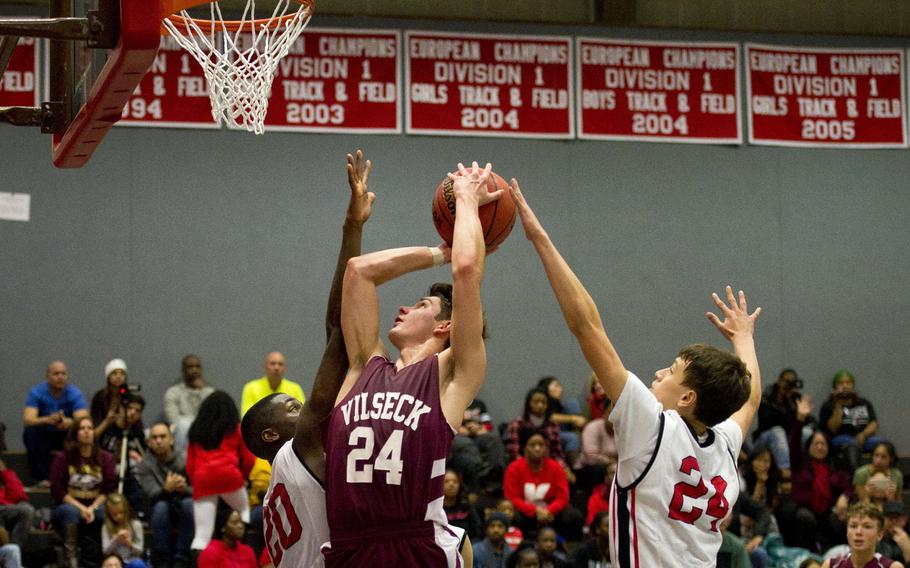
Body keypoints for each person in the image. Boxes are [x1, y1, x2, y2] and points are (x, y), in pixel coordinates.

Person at [509, 180, 762, 567]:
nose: (659, 372)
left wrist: (539, 238)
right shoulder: (725, 445)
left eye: (673, 371)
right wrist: (744, 337)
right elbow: (751, 398)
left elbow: (587, 326)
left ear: (688, 397)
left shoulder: (653, 425)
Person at [321, 161, 500, 567]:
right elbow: (359, 271)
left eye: (421, 305)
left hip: (415, 547)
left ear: (445, 326)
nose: (403, 306)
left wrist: (468, 203)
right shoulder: (364, 365)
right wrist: (440, 253)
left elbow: (468, 271)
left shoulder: (451, 374)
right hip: (349, 547)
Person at [239, 149, 374, 567]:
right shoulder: (295, 451)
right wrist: (352, 227)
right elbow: (338, 329)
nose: (308, 408)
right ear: (269, 435)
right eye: (292, 408)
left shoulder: (276, 492)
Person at [186, 390, 255, 552]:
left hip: (203, 479)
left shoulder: (196, 430)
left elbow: (190, 464)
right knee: (243, 511)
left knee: (202, 534)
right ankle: (241, 552)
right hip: (229, 476)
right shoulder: (235, 428)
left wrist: (195, 482)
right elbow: (250, 459)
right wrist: (242, 478)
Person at [50, 415, 117, 568]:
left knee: (103, 514)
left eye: (90, 428)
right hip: (68, 506)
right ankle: (71, 562)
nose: (87, 432)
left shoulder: (105, 458)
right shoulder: (63, 458)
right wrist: (82, 508)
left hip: (96, 505)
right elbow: (58, 490)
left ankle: (99, 561)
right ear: (75, 434)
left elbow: (108, 489)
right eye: (82, 428)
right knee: (70, 512)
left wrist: (92, 508)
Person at [778, 429, 851, 552]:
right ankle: (806, 556)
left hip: (827, 512)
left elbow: (848, 487)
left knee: (837, 521)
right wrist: (800, 419)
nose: (819, 447)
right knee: (805, 518)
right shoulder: (800, 464)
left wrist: (844, 497)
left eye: (823, 444)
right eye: (816, 443)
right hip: (803, 510)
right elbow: (794, 443)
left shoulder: (835, 468)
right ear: (809, 446)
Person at [503, 430, 583, 541]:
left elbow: (563, 497)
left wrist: (548, 511)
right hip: (525, 513)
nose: (537, 448)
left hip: (551, 512)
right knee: (511, 516)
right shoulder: (514, 468)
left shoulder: (555, 467)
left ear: (546, 448)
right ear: (525, 448)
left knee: (574, 516)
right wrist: (536, 511)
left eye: (541, 445)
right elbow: (512, 498)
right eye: (533, 445)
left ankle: (571, 550)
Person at [134, 422, 194, 568]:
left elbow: (199, 490)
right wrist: (167, 490)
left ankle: (181, 559)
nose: (159, 441)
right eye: (154, 438)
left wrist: (184, 488)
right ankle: (163, 560)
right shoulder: (144, 465)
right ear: (149, 442)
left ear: (171, 439)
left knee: (189, 504)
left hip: (183, 506)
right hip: (158, 511)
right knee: (161, 507)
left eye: (162, 436)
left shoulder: (186, 459)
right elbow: (151, 495)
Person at [23, 360, 90, 482]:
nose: (60, 377)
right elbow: (28, 419)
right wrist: (47, 419)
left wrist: (69, 422)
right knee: (30, 432)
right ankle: (40, 478)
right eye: (56, 374)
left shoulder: (74, 393)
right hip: (44, 434)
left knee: (83, 431)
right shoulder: (37, 391)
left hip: (65, 434)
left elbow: (83, 419)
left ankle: (76, 476)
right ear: (48, 376)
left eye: (63, 374)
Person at [752, 368, 813, 477]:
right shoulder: (768, 396)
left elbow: (806, 423)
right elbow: (768, 423)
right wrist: (781, 400)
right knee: (778, 431)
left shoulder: (795, 399)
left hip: (787, 438)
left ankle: (804, 468)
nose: (788, 385)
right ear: (779, 381)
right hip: (765, 438)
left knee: (807, 432)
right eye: (786, 381)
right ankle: (786, 472)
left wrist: (791, 404)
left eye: (792, 382)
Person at [819, 370, 882, 472]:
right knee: (851, 444)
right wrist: (838, 405)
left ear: (853, 386)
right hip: (840, 439)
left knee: (883, 443)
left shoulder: (863, 403)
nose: (845, 386)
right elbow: (832, 429)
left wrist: (864, 435)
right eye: (841, 383)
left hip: (863, 438)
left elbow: (874, 424)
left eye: (848, 383)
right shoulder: (829, 405)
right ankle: (855, 476)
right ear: (835, 387)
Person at [97, 394, 148, 517]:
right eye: (130, 408)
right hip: (106, 473)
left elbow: (144, 456)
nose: (132, 413)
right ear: (121, 408)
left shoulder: (137, 433)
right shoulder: (108, 429)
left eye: (137, 411)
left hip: (131, 475)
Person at [821, 502, 905, 568]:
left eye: (867, 526)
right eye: (853, 526)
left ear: (880, 534)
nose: (858, 532)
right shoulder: (830, 565)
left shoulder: (893, 567)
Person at [164, 355, 214, 452]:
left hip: (205, 432)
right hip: (182, 434)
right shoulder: (173, 392)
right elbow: (173, 420)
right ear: (183, 370)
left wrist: (201, 391)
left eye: (197, 366)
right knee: (183, 424)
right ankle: (183, 462)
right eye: (190, 367)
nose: (194, 370)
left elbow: (212, 418)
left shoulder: (210, 393)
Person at [504, 388, 566, 467]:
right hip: (522, 467)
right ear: (529, 404)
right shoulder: (517, 424)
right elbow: (513, 453)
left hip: (547, 467)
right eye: (536, 402)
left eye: (543, 402)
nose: (540, 405)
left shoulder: (552, 424)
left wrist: (562, 467)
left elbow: (556, 452)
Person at [536, 376, 586, 463]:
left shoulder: (560, 405)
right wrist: (573, 418)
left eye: (559, 386)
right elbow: (548, 417)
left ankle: (580, 430)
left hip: (564, 430)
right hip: (547, 433)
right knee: (572, 437)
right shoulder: (541, 403)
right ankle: (575, 465)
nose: (560, 389)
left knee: (572, 403)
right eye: (556, 385)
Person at [240, 352, 304, 416]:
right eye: (272, 364)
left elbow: (301, 415)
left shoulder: (295, 388)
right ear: (265, 366)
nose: (276, 368)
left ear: (285, 368)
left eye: (280, 364)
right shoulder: (251, 388)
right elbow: (247, 417)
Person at [101, 493, 146, 568]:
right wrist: (116, 539)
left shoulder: (136, 525)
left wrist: (129, 543)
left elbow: (140, 551)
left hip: (131, 561)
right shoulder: (105, 527)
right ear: (109, 514)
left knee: (138, 564)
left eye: (121, 512)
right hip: (115, 562)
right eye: (114, 514)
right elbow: (105, 551)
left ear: (126, 510)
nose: (119, 516)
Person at [91, 359, 131, 440]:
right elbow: (94, 429)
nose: (118, 376)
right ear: (108, 376)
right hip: (103, 437)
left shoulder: (128, 395)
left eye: (122, 373)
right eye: (115, 373)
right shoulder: (99, 397)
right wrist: (108, 420)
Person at [0, 458, 35, 548]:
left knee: (27, 510)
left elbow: (19, 496)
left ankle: (14, 552)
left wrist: (4, 472)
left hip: (7, 509)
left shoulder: (6, 475)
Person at [444, 469, 482, 540]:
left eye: (455, 481)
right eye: (446, 481)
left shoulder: (467, 507)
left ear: (460, 485)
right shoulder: (436, 510)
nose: (451, 484)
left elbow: (477, 532)